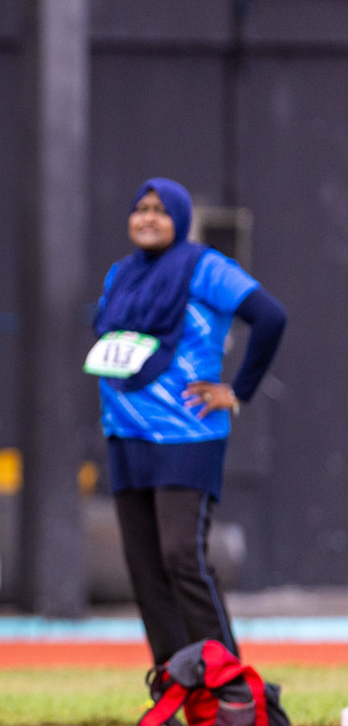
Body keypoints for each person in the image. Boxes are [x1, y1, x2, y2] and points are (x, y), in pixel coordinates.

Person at [89, 178, 286, 669]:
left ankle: (230, 687)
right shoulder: (121, 274)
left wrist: (237, 392)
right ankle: (177, 686)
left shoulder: (206, 267)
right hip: (125, 433)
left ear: (179, 218)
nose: (148, 218)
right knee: (145, 569)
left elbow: (270, 317)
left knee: (181, 558)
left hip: (186, 435)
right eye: (140, 209)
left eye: (160, 210)